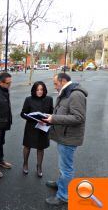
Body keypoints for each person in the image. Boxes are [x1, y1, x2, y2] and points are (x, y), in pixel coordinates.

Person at [43, 73, 88, 206]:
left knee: (66, 168)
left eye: (56, 83)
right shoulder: (67, 92)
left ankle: (63, 196)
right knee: (63, 165)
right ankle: (61, 184)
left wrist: (54, 119)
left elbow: (79, 118)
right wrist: (51, 116)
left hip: (69, 138)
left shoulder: (75, 95)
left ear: (63, 81)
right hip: (64, 136)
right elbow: (64, 112)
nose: (55, 86)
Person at [20, 81, 53, 177]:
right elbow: (23, 113)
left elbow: (52, 113)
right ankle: (25, 164)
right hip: (31, 127)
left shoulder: (49, 99)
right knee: (27, 146)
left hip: (43, 127)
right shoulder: (28, 99)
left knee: (40, 148)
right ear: (34, 90)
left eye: (41, 90)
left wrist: (47, 119)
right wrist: (32, 118)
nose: (40, 91)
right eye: (37, 90)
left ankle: (39, 166)